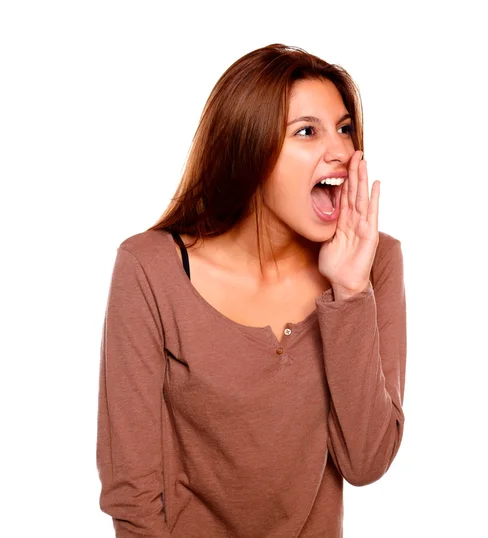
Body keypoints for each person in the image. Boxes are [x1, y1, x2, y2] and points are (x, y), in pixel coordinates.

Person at [96, 43, 407, 537]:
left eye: (345, 129)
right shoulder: (149, 269)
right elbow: (131, 493)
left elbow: (365, 461)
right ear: (249, 150)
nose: (342, 153)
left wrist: (349, 292)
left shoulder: (373, 262)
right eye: (307, 131)